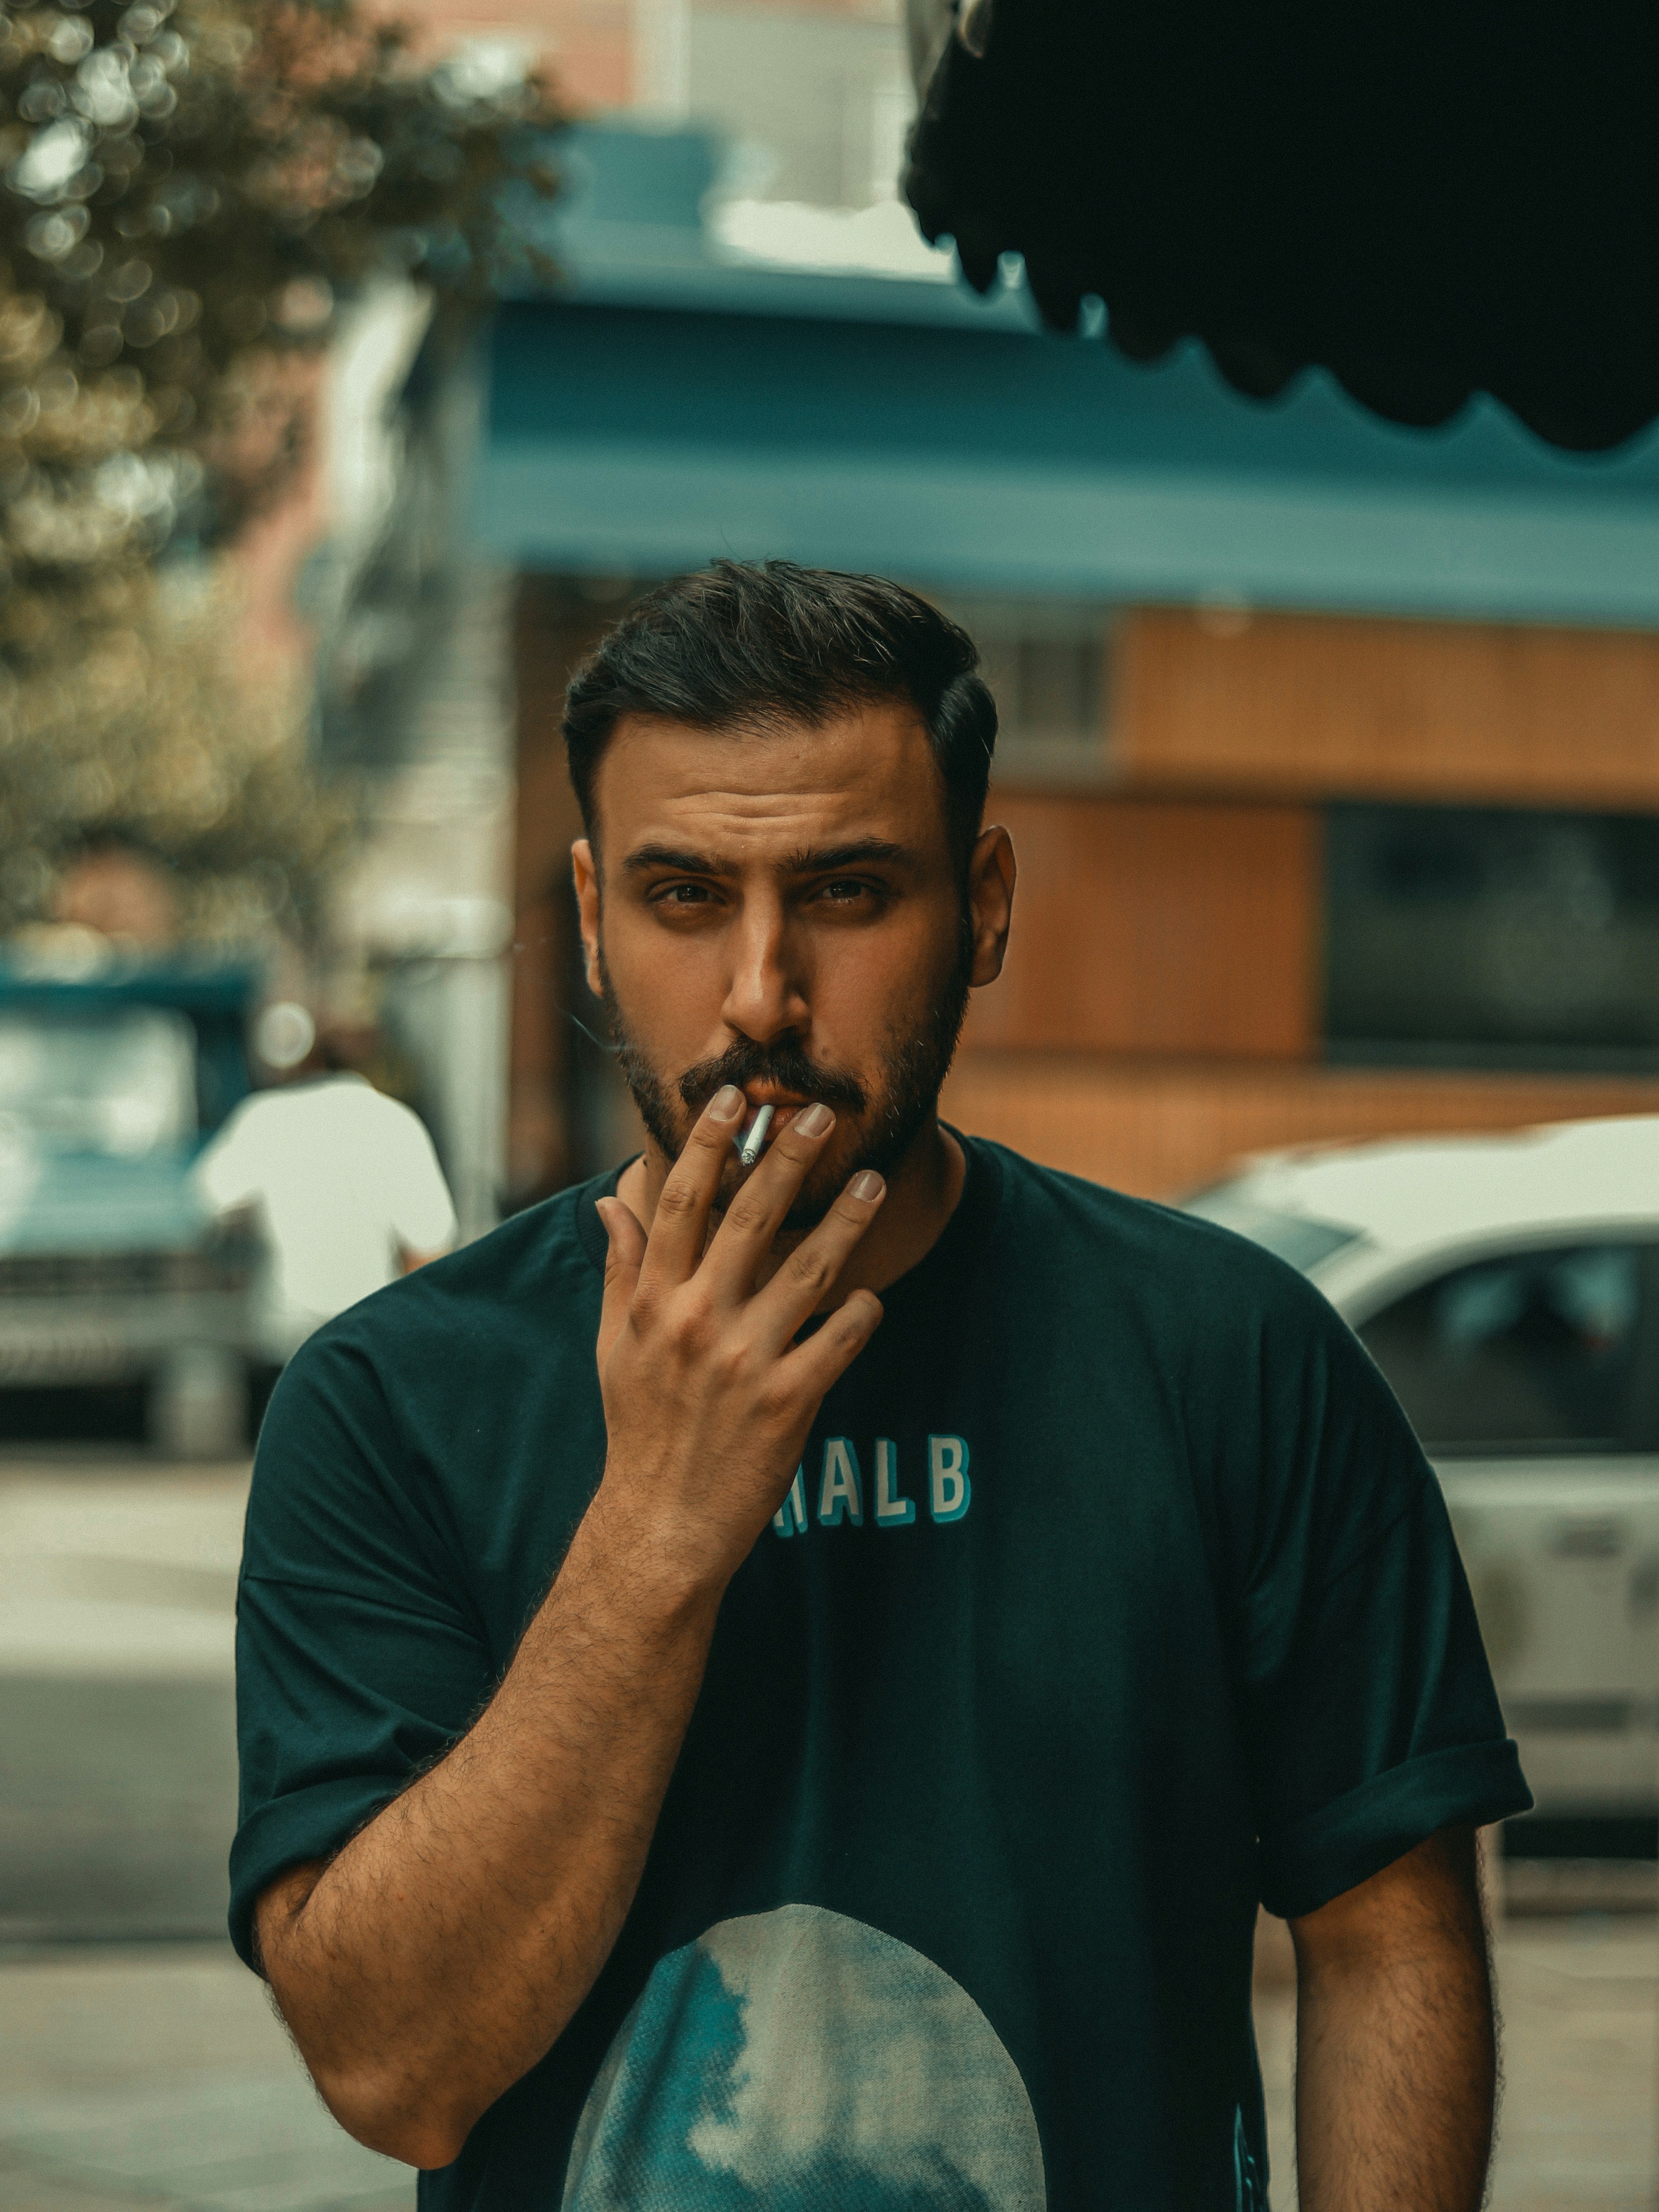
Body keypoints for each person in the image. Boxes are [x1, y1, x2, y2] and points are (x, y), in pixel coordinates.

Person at [230, 563, 1530, 2212]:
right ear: (588, 916)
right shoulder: (393, 1404)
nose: (761, 993)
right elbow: (395, 2070)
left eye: (846, 893)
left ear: (983, 903)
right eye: (685, 896)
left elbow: (1387, 1936)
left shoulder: (1232, 1357)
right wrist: (654, 1526)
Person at [195, 1008, 457, 1364]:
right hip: (367, 1337)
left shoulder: (262, 1118)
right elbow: (430, 1245)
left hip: (284, 1344)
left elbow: (208, 1199)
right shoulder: (393, 1121)